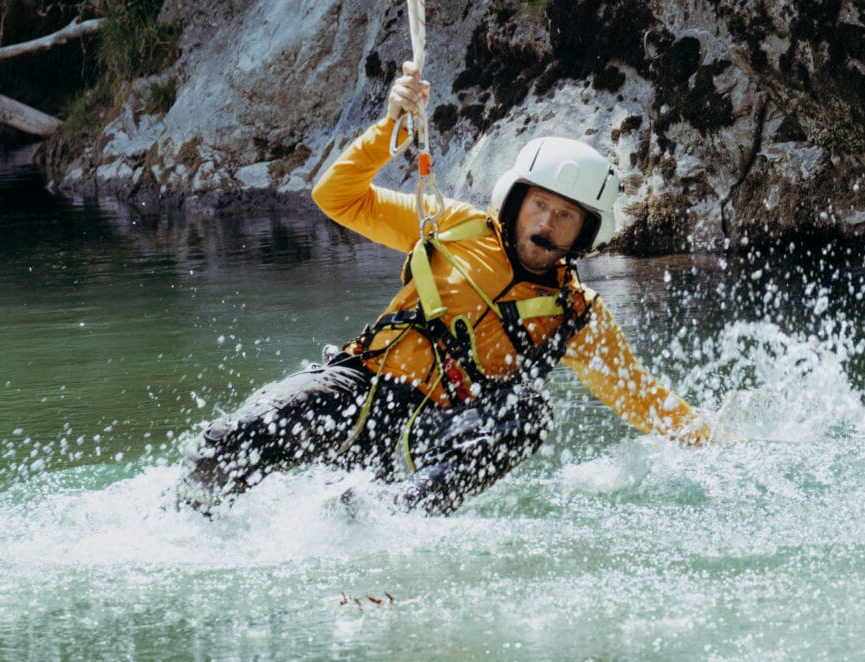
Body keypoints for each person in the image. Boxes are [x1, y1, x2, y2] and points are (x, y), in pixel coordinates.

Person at [174, 61, 714, 517]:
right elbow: (337, 198)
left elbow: (645, 401)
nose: (546, 224)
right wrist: (392, 130)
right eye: (540, 205)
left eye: (565, 214)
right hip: (360, 389)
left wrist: (725, 451)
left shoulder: (577, 314)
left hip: (439, 432)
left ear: (585, 231)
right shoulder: (453, 225)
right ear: (516, 201)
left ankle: (391, 518)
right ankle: (178, 523)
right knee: (232, 438)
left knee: (529, 413)